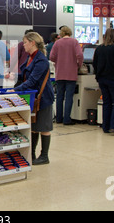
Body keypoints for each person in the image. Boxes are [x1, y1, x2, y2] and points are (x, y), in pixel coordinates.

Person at [11, 32, 54, 165]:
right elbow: (24, 76)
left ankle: (44, 156)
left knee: (45, 127)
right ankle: (33, 154)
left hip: (43, 98)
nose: (23, 45)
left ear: (32, 43)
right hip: (33, 97)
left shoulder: (41, 60)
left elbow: (32, 80)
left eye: (25, 42)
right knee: (34, 126)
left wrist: (15, 90)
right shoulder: (31, 57)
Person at [93, 28, 114, 136]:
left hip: (102, 79)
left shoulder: (99, 49)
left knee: (106, 102)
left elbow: (95, 64)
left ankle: (105, 126)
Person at [49, 26, 83, 125]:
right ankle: (67, 119)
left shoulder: (57, 43)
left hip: (59, 73)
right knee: (69, 97)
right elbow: (80, 55)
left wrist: (57, 61)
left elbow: (51, 57)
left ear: (61, 33)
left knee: (59, 96)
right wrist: (78, 64)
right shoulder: (74, 42)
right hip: (71, 73)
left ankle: (59, 118)